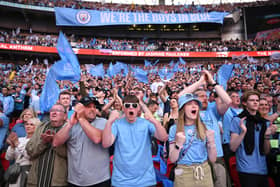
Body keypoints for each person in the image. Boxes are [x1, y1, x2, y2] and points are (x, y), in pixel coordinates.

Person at [178, 70, 232, 187]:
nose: (205, 98)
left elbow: (228, 101)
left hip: (217, 158)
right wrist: (200, 82)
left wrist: (212, 82)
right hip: (199, 161)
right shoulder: (190, 113)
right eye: (201, 96)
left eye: (206, 96)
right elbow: (180, 96)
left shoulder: (212, 110)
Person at [102, 95, 168, 187]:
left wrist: (154, 120)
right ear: (123, 108)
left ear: (138, 108)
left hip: (146, 180)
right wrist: (109, 122)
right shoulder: (116, 124)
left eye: (134, 105)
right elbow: (106, 143)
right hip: (121, 181)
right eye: (127, 105)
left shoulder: (146, 123)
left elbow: (163, 137)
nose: (131, 108)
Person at [53, 96, 111, 187]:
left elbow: (97, 138)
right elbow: (56, 142)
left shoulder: (103, 122)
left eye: (94, 107)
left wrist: (81, 118)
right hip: (75, 181)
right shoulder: (72, 124)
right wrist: (69, 125)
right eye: (88, 106)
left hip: (100, 180)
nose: (92, 109)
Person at [230, 90, 278, 187]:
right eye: (252, 100)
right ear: (244, 103)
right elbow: (233, 147)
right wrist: (243, 132)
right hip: (246, 169)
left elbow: (266, 151)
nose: (256, 102)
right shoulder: (238, 120)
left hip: (262, 169)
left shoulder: (263, 122)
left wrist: (266, 136)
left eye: (257, 100)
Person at [169, 93, 216, 187]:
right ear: (182, 109)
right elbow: (172, 159)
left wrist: (211, 143)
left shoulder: (205, 127)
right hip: (183, 172)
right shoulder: (174, 129)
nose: (194, 106)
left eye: (196, 104)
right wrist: (178, 145)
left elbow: (213, 159)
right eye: (189, 104)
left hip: (204, 171)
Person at [25, 104, 68, 187]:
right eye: (52, 111)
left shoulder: (69, 129)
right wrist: (43, 143)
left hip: (57, 181)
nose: (54, 113)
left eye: (58, 111)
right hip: (36, 180)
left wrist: (54, 142)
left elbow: (70, 154)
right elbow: (30, 150)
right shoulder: (41, 127)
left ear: (65, 116)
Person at [5, 118, 41, 187]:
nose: (28, 126)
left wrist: (17, 144)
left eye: (31, 124)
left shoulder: (38, 141)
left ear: (37, 127)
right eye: (27, 124)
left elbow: (30, 156)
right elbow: (8, 157)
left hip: (28, 170)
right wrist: (12, 147)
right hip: (15, 172)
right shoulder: (20, 139)